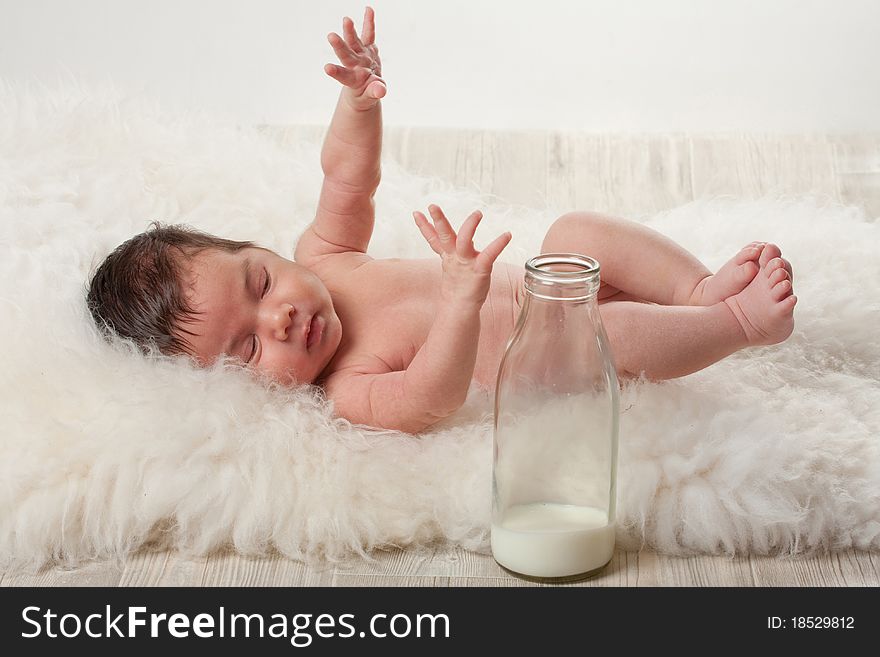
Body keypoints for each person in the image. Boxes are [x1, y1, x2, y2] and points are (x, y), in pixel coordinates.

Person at [87, 7, 796, 433]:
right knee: (596, 335)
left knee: (575, 234)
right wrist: (460, 302)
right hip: (550, 353)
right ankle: (735, 326)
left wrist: (359, 104)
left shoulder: (326, 256)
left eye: (261, 280)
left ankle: (694, 291)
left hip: (550, 279)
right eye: (246, 350)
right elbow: (430, 399)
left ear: (264, 248)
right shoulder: (345, 389)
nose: (277, 319)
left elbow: (347, 176)